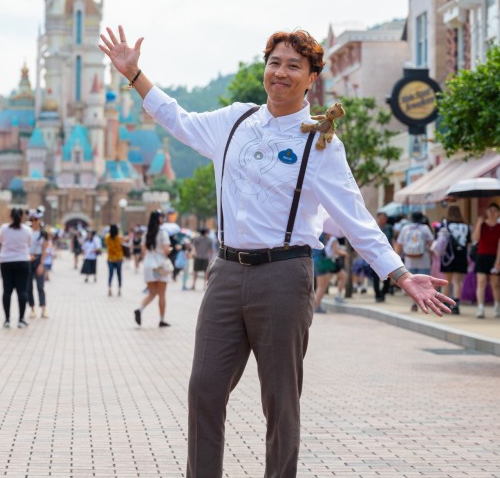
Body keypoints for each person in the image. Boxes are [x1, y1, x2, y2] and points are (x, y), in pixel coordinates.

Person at [100, 25, 452, 478]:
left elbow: (355, 218)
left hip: (284, 276)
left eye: (293, 66)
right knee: (204, 389)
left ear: (311, 79)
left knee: (280, 400)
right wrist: (135, 76)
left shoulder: (321, 143)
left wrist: (401, 274)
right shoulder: (236, 121)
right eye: (274, 63)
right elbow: (178, 118)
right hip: (226, 273)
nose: (280, 73)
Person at [0, 207, 33, 328]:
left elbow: (0, 241)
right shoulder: (27, 230)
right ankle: (21, 319)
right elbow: (29, 244)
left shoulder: (4, 228)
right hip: (22, 261)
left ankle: (7, 319)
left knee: (7, 291)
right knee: (22, 291)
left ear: (11, 216)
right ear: (22, 216)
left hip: (6, 261)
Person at [135, 210, 172, 327]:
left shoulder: (146, 234)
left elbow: (143, 251)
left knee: (152, 293)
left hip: (148, 265)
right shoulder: (163, 233)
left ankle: (139, 309)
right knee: (161, 294)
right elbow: (166, 251)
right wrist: (171, 249)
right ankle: (161, 319)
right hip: (160, 265)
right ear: (159, 219)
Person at [431, 205, 470, 315]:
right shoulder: (466, 226)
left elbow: (438, 239)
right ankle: (456, 305)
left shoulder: (445, 224)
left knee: (446, 282)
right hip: (461, 256)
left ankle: (445, 305)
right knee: (457, 282)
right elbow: (469, 242)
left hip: (448, 256)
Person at [472, 202, 500, 319]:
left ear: (498, 213)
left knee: (495, 283)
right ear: (487, 212)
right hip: (481, 256)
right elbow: (475, 239)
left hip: (494, 257)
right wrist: (478, 224)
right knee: (481, 282)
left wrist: (498, 261)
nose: (492, 213)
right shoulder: (482, 225)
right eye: (490, 211)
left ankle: (497, 307)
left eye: (494, 211)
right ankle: (480, 307)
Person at [395, 211, 435, 310]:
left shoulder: (405, 228)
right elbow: (431, 244)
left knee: (413, 283)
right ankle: (425, 302)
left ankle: (414, 303)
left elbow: (399, 244)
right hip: (424, 260)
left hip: (409, 260)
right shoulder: (425, 228)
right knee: (424, 283)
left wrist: (397, 257)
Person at [313, 233, 348, 314]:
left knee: (321, 287)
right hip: (322, 261)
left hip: (318, 260)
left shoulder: (318, 234)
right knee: (321, 287)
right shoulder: (323, 235)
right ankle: (316, 306)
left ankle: (317, 305)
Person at [26, 210, 48, 318]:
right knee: (28, 286)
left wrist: (42, 264)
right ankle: (32, 308)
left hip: (38, 259)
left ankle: (43, 308)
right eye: (31, 220)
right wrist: (27, 255)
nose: (33, 222)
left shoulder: (43, 234)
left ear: (39, 220)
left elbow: (45, 249)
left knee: (40, 286)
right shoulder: (27, 232)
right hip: (28, 259)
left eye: (35, 219)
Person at [371, 212, 395, 302]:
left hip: (387, 254)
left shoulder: (389, 228)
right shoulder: (372, 227)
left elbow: (393, 240)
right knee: (376, 276)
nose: (382, 220)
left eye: (384, 218)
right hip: (375, 255)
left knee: (388, 276)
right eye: (380, 218)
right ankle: (377, 295)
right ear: (377, 218)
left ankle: (383, 292)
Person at [105, 224, 125, 297]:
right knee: (119, 274)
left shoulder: (107, 237)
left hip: (110, 258)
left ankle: (109, 289)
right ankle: (119, 289)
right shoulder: (119, 237)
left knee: (110, 274)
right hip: (119, 258)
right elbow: (123, 243)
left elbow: (107, 245)